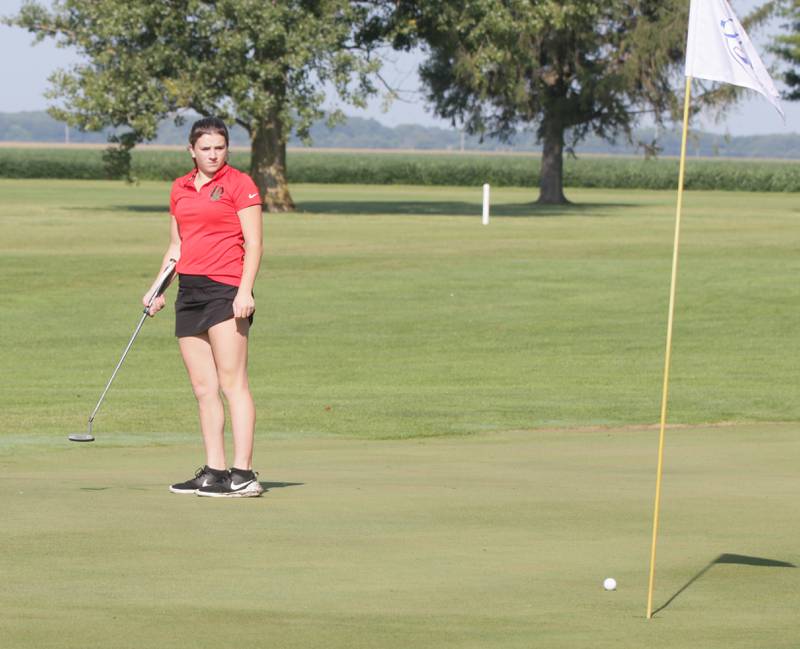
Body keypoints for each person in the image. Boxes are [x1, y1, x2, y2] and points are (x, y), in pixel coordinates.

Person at [143, 116, 264, 498]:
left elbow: (255, 243)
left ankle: (243, 475)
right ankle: (214, 470)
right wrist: (157, 288)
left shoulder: (240, 185)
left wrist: (245, 292)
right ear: (192, 150)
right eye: (206, 148)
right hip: (190, 292)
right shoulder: (179, 188)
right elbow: (177, 247)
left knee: (233, 383)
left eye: (220, 147)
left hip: (227, 289)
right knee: (203, 387)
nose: (214, 155)